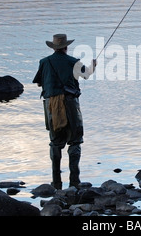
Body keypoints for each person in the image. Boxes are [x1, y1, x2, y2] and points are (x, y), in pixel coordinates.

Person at [33, 34, 96, 189]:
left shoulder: (44, 62)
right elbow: (86, 74)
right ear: (66, 47)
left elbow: (39, 83)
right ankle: (74, 181)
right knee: (75, 141)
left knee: (55, 143)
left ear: (53, 47)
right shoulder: (73, 62)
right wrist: (93, 66)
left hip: (51, 107)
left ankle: (56, 182)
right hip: (70, 105)